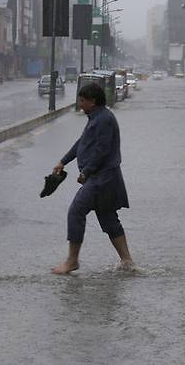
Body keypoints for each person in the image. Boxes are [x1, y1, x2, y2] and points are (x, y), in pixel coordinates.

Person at [51, 83, 134, 275]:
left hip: (102, 178)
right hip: (102, 178)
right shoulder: (95, 118)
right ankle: (128, 261)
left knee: (76, 211)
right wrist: (63, 161)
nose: (80, 104)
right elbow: (82, 143)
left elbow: (102, 150)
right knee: (108, 219)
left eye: (82, 100)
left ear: (93, 101)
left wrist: (85, 172)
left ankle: (72, 260)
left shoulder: (104, 119)